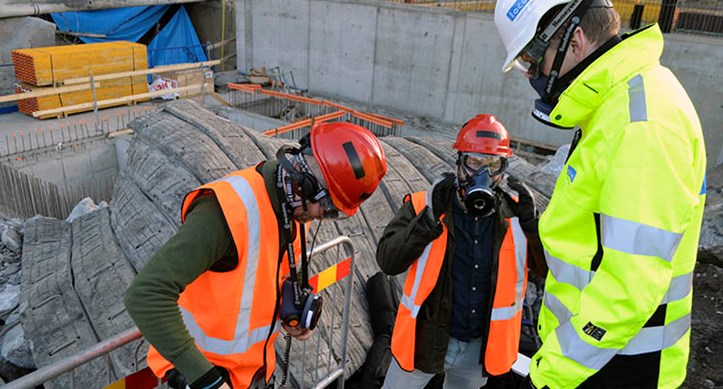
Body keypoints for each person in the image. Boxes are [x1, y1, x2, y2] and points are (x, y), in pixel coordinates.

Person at [493, 0, 707, 388]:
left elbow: (629, 285)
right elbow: (599, 234)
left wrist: (550, 374)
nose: (532, 75)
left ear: (574, 41)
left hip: (616, 366)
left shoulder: (642, 124)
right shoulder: (615, 104)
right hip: (597, 357)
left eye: (532, 59)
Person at [124, 122, 387, 389]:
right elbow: (146, 295)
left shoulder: (295, 209)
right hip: (205, 379)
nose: (323, 215)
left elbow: (270, 270)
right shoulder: (224, 212)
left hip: (252, 376)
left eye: (334, 213)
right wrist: (206, 380)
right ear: (306, 181)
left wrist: (291, 309)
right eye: (328, 205)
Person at [376, 114, 546, 389]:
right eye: (474, 162)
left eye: (492, 165)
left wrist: (532, 227)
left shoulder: (515, 218)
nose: (482, 174)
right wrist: (429, 219)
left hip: (478, 349)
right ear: (458, 163)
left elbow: (544, 270)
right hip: (423, 341)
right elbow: (388, 260)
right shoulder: (426, 206)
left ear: (503, 170)